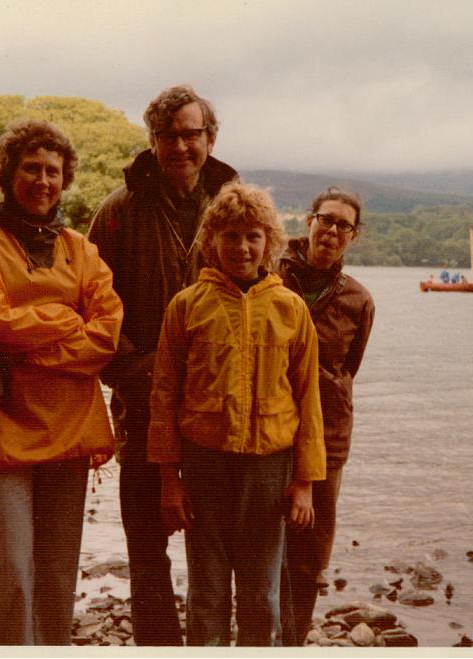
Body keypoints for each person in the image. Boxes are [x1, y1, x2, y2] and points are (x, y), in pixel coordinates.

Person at [0, 119, 124, 645]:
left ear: (65, 179)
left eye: (54, 171)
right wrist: (67, 320)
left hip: (71, 435)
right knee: (4, 579)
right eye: (31, 169)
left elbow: (107, 334)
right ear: (8, 173)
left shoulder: (81, 250)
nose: (43, 181)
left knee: (56, 582)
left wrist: (29, 343)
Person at [87, 84, 238, 646]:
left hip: (219, 415)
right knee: (148, 550)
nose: (180, 145)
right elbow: (91, 307)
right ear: (152, 142)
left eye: (191, 134)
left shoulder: (232, 207)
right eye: (168, 135)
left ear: (210, 138)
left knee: (215, 549)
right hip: (143, 408)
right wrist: (139, 371)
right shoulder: (118, 212)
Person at [148, 182, 326, 646]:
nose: (242, 247)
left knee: (260, 591)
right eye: (230, 236)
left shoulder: (290, 308)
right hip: (204, 465)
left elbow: (309, 399)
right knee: (205, 591)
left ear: (269, 241)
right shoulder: (186, 307)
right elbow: (164, 397)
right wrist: (170, 478)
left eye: (252, 236)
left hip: (269, 470)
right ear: (212, 240)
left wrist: (305, 482)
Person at [275, 187, 375, 646]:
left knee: (309, 552)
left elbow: (346, 368)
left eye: (343, 226)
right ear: (309, 221)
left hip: (328, 440)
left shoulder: (358, 300)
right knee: (261, 546)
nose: (332, 231)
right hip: (267, 433)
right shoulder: (269, 277)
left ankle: (293, 641)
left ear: (353, 237)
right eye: (326, 220)